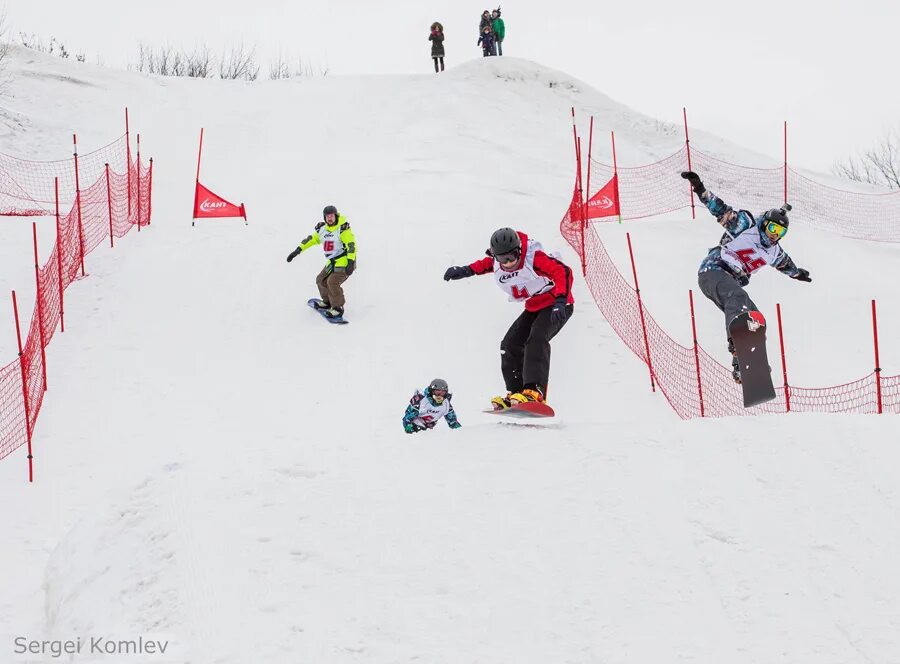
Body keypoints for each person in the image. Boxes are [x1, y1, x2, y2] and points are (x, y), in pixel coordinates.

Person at [682, 171, 812, 383]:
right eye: (772, 228)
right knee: (739, 300)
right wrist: (699, 188)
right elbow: (720, 210)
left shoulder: (774, 251)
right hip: (713, 271)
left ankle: (744, 366)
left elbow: (785, 264)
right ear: (765, 224)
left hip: (730, 282)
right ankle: (738, 346)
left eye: (780, 232)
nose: (774, 235)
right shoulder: (745, 225)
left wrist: (797, 274)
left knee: (754, 316)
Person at [443, 228, 574, 409]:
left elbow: (563, 271)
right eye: (502, 259)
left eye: (512, 257)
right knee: (509, 344)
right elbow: (485, 265)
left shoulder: (533, 258)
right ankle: (516, 393)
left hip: (557, 305)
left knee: (536, 339)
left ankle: (534, 391)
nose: (508, 263)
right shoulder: (497, 263)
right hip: (535, 305)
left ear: (519, 251)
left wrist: (560, 299)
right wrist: (466, 270)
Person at [286, 204, 357, 319]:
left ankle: (338, 308)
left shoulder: (342, 229)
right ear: (324, 218)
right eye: (327, 216)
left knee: (332, 282)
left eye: (332, 216)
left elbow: (351, 245)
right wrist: (297, 250)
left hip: (344, 262)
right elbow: (311, 240)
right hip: (332, 262)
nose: (330, 218)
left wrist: (350, 261)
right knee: (320, 279)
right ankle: (328, 301)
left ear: (336, 216)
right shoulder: (323, 230)